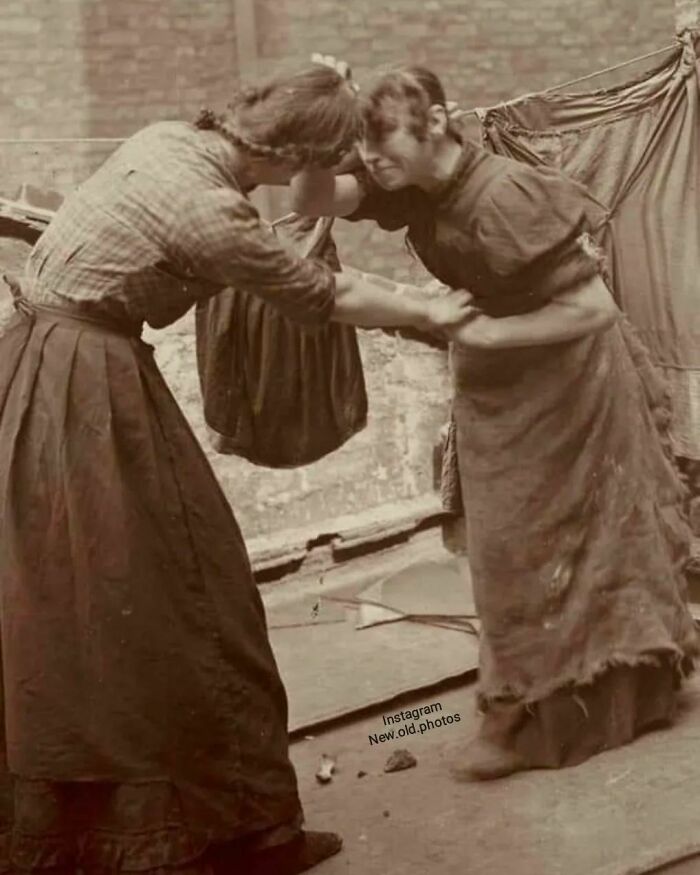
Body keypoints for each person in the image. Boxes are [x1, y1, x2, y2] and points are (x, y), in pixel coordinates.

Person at [0, 62, 472, 875]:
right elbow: (318, 291)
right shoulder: (209, 209)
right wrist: (434, 308)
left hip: (35, 366)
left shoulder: (169, 142)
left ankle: (202, 827)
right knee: (183, 597)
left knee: (78, 602)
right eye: (323, 158)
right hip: (83, 387)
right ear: (292, 154)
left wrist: (322, 89)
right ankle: (222, 837)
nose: (323, 178)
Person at [291, 63, 699, 779]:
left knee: (564, 544)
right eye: (368, 150)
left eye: (385, 147)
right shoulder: (406, 181)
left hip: (574, 378)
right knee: (507, 550)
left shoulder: (505, 195)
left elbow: (593, 310)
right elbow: (314, 194)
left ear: (439, 123)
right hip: (504, 383)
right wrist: (314, 128)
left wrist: (472, 336)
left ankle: (548, 711)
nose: (374, 164)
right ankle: (535, 701)